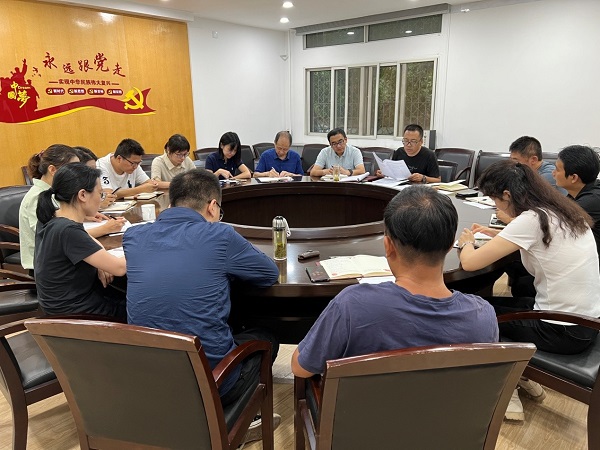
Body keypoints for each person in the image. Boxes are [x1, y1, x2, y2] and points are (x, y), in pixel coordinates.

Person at [124, 169, 280, 441]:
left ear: (171, 202)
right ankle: (233, 425)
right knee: (266, 339)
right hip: (210, 381)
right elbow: (269, 273)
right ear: (212, 206)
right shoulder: (220, 235)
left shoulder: (133, 237)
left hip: (147, 378)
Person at [291, 186, 498, 379]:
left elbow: (301, 368)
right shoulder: (484, 316)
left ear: (388, 246)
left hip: (366, 408)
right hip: (447, 408)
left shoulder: (351, 305)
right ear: (451, 244)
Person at [457, 159, 600, 421]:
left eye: (494, 200)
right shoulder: (560, 210)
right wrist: (495, 233)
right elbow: (534, 240)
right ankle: (520, 376)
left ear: (507, 195)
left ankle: (506, 389)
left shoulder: (531, 220)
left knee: (476, 313)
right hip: (585, 323)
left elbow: (469, 263)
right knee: (490, 304)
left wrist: (467, 242)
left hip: (561, 331)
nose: (496, 205)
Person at [34, 163, 127, 318]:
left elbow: (87, 239)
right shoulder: (68, 230)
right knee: (142, 309)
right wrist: (145, 245)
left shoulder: (53, 216)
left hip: (63, 304)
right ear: (82, 195)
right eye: (100, 194)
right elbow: (119, 268)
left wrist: (101, 262)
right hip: (74, 312)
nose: (101, 199)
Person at [553, 145, 600, 259]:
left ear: (573, 178)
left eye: (557, 169)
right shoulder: (579, 192)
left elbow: (553, 224)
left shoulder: (591, 201)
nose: (553, 173)